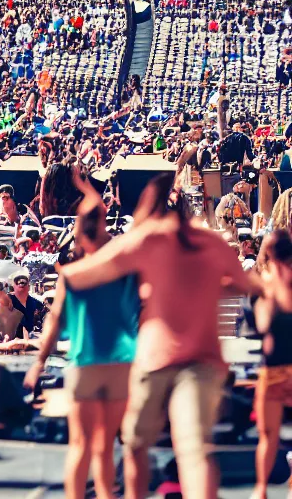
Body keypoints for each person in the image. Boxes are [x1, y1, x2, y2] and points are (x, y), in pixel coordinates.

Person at [62, 172, 260, 499]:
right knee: (194, 449)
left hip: (152, 360)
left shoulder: (148, 238)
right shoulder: (210, 241)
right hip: (202, 359)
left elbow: (80, 276)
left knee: (133, 445)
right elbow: (245, 284)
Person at [24, 171, 140, 499]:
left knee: (81, 445)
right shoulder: (123, 269)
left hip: (85, 363)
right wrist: (86, 188)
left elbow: (55, 322)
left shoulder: (73, 275)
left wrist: (39, 363)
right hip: (120, 364)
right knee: (107, 446)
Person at [252, 231, 292, 499]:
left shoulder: (264, 285)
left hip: (274, 368)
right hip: (280, 367)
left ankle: (262, 489)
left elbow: (262, 326)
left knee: (268, 436)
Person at [8, 269, 43, 339]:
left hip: (33, 341)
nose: (21, 286)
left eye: (24, 284)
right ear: (13, 287)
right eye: (18, 284)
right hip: (11, 341)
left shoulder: (37, 304)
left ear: (29, 287)